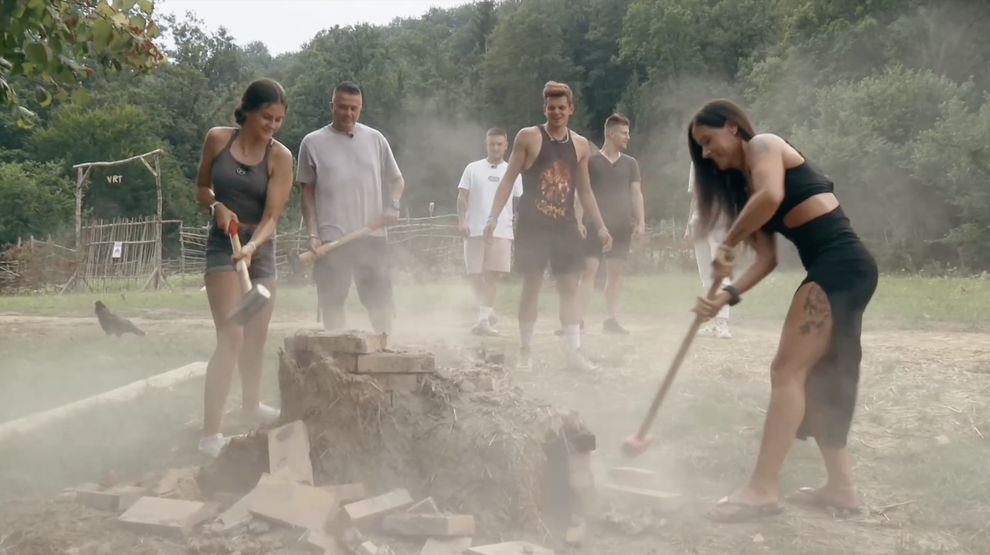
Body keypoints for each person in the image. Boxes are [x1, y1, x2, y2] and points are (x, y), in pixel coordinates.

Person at [688, 99, 878, 523]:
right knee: (825, 374)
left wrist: (728, 242)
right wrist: (725, 296)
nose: (705, 153)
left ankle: (761, 489)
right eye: (699, 146)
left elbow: (773, 196)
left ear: (734, 127)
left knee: (786, 372)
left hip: (839, 264)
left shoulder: (764, 147)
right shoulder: (745, 191)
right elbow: (767, 260)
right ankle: (842, 488)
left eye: (708, 140)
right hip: (844, 270)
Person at [194, 78, 294, 458]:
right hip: (223, 247)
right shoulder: (218, 140)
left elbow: (272, 217)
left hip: (259, 251)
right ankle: (210, 436)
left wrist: (252, 246)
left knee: (255, 338)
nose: (272, 125)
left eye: (279, 120)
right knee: (231, 337)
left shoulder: (280, 157)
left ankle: (251, 407)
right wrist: (216, 207)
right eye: (267, 116)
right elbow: (202, 188)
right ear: (248, 111)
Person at [484, 81, 612, 371]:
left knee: (569, 285)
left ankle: (574, 352)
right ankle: (526, 350)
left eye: (561, 107)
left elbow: (586, 191)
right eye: (551, 107)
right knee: (532, 284)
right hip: (533, 223)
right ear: (545, 108)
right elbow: (508, 178)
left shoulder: (579, 144)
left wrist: (601, 227)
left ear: (571, 109)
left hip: (565, 225)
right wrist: (493, 217)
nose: (556, 112)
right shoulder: (528, 137)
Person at [297, 81, 404, 336]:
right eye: (342, 107)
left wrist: (394, 205)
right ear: (332, 106)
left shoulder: (376, 139)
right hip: (332, 239)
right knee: (332, 300)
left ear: (361, 108)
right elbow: (306, 193)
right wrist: (313, 233)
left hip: (372, 235)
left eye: (354, 108)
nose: (348, 113)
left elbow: (397, 180)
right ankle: (336, 357)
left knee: (379, 300)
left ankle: (384, 348)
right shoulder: (312, 143)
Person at [572, 113, 645, 335]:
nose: (627, 137)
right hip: (595, 224)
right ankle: (577, 320)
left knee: (616, 274)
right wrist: (577, 221)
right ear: (611, 134)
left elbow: (636, 194)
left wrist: (641, 221)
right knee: (588, 270)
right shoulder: (591, 162)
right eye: (624, 133)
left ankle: (611, 320)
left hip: (622, 225)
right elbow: (582, 194)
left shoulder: (630, 163)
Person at [456, 127, 523, 336]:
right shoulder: (472, 168)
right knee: (474, 275)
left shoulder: (513, 172)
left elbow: (518, 202)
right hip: (474, 228)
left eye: (499, 144)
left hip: (501, 230)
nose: (495, 148)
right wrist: (461, 220)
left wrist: (517, 228)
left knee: (493, 276)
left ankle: (483, 320)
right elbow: (462, 197)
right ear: (486, 144)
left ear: (506, 145)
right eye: (491, 143)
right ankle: (488, 309)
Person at [684, 161, 732, 339]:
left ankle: (722, 322)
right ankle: (713, 320)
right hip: (700, 221)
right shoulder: (696, 162)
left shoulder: (727, 156)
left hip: (721, 221)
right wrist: (689, 225)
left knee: (721, 274)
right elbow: (695, 195)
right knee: (705, 275)